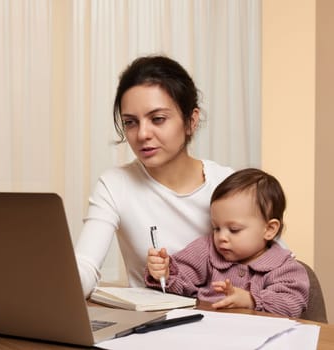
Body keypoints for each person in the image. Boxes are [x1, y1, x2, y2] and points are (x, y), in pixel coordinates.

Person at [74, 55, 234, 298]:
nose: (143, 134)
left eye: (158, 119)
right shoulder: (115, 185)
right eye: (131, 122)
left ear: (191, 121)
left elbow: (281, 265)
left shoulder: (227, 184)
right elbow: (85, 266)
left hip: (225, 324)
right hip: (151, 328)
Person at [145, 168, 309, 318]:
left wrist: (251, 300)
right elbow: (181, 281)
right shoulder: (207, 249)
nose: (222, 237)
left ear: (269, 229)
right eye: (216, 228)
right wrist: (165, 273)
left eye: (234, 229)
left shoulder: (286, 267)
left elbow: (292, 304)